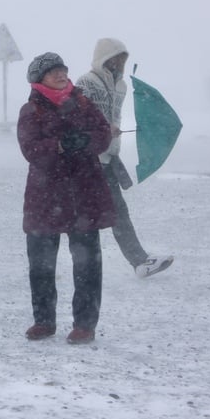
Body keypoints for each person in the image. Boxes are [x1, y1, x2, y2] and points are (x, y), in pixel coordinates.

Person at [17, 53, 115, 344]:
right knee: (42, 263)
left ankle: (84, 324)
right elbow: (30, 150)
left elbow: (102, 135)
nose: (61, 75)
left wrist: (87, 141)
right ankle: (44, 321)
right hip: (45, 195)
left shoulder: (83, 102)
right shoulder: (31, 110)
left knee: (87, 263)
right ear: (39, 79)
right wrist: (58, 145)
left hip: (84, 193)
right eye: (53, 71)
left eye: (63, 69)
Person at [75, 38, 174, 278]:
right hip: (89, 160)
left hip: (109, 157)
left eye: (123, 58)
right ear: (104, 58)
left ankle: (139, 262)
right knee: (84, 218)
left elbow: (114, 116)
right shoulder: (85, 83)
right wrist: (99, 132)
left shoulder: (121, 86)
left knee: (118, 213)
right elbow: (77, 119)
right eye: (116, 57)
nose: (120, 62)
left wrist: (112, 133)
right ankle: (83, 267)